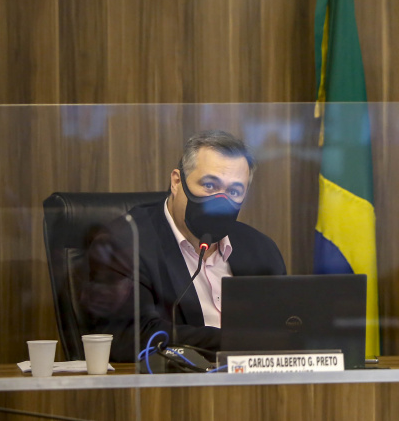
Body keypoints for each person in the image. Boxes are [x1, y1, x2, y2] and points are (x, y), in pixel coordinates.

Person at [82, 130, 286, 361]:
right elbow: (129, 336)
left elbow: (284, 330)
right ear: (177, 182)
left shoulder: (261, 249)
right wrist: (231, 341)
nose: (221, 201)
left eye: (234, 191)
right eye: (209, 185)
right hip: (172, 387)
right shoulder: (126, 242)